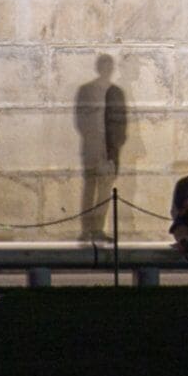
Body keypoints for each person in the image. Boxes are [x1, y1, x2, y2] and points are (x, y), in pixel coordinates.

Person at [73, 55, 130, 249]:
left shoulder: (116, 92)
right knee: (90, 189)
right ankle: (87, 229)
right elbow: (80, 120)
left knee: (105, 191)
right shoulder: (86, 90)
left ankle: (97, 228)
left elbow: (121, 122)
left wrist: (115, 146)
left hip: (109, 149)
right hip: (92, 147)